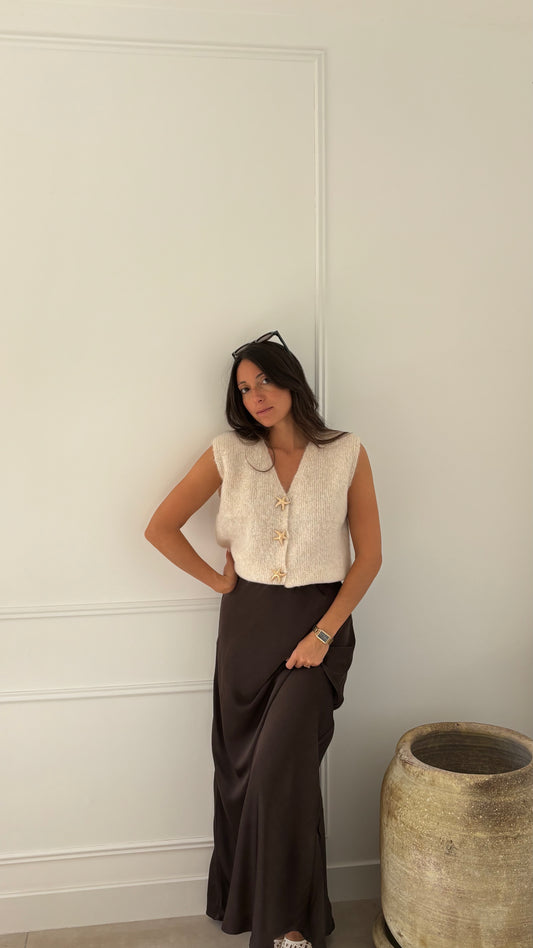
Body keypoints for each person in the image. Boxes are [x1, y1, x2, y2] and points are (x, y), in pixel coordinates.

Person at [144, 331, 382, 948]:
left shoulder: (347, 452)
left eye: (266, 381)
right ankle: (253, 903)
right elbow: (161, 527)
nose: (257, 396)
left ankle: (288, 927)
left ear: (291, 380)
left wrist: (324, 634)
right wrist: (218, 581)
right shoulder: (228, 453)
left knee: (281, 773)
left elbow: (369, 558)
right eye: (245, 389)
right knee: (246, 777)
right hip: (247, 633)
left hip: (317, 631)